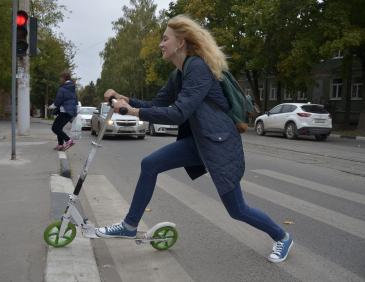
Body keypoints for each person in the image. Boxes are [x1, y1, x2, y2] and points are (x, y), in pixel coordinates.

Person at [96, 15, 293, 263]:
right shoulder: (178, 74)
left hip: (219, 144)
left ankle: (282, 236)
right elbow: (156, 105)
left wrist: (133, 111)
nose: (160, 44)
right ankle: (129, 224)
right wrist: (123, 98)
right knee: (150, 164)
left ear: (180, 43)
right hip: (199, 141)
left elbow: (178, 113)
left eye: (165, 39)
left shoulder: (197, 68)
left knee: (237, 209)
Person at [50, 71, 77, 151]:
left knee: (55, 128)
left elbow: (58, 100)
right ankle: (60, 144)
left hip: (65, 111)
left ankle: (68, 140)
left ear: (64, 78)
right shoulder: (72, 87)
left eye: (60, 78)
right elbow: (75, 100)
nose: (60, 79)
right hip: (69, 112)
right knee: (59, 127)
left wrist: (52, 106)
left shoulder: (63, 88)